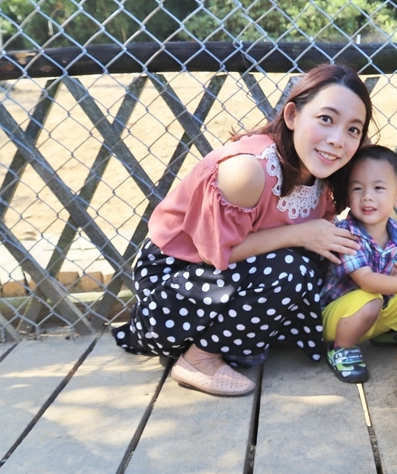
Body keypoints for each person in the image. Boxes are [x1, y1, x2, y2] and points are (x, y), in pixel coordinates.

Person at [114, 64, 373, 396]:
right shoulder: (247, 171)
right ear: (292, 116)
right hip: (177, 287)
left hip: (235, 277)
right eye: (326, 119)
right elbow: (215, 254)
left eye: (353, 130)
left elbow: (324, 239)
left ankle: (232, 340)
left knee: (312, 262)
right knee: (293, 269)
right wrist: (300, 234)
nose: (338, 140)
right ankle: (200, 358)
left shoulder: (321, 174)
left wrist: (388, 264)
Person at [321, 145, 397, 383]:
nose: (367, 196)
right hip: (338, 318)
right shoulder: (347, 234)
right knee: (371, 300)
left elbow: (390, 278)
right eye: (357, 188)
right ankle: (340, 349)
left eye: (378, 188)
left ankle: (386, 333)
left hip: (374, 310)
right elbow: (366, 280)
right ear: (347, 196)